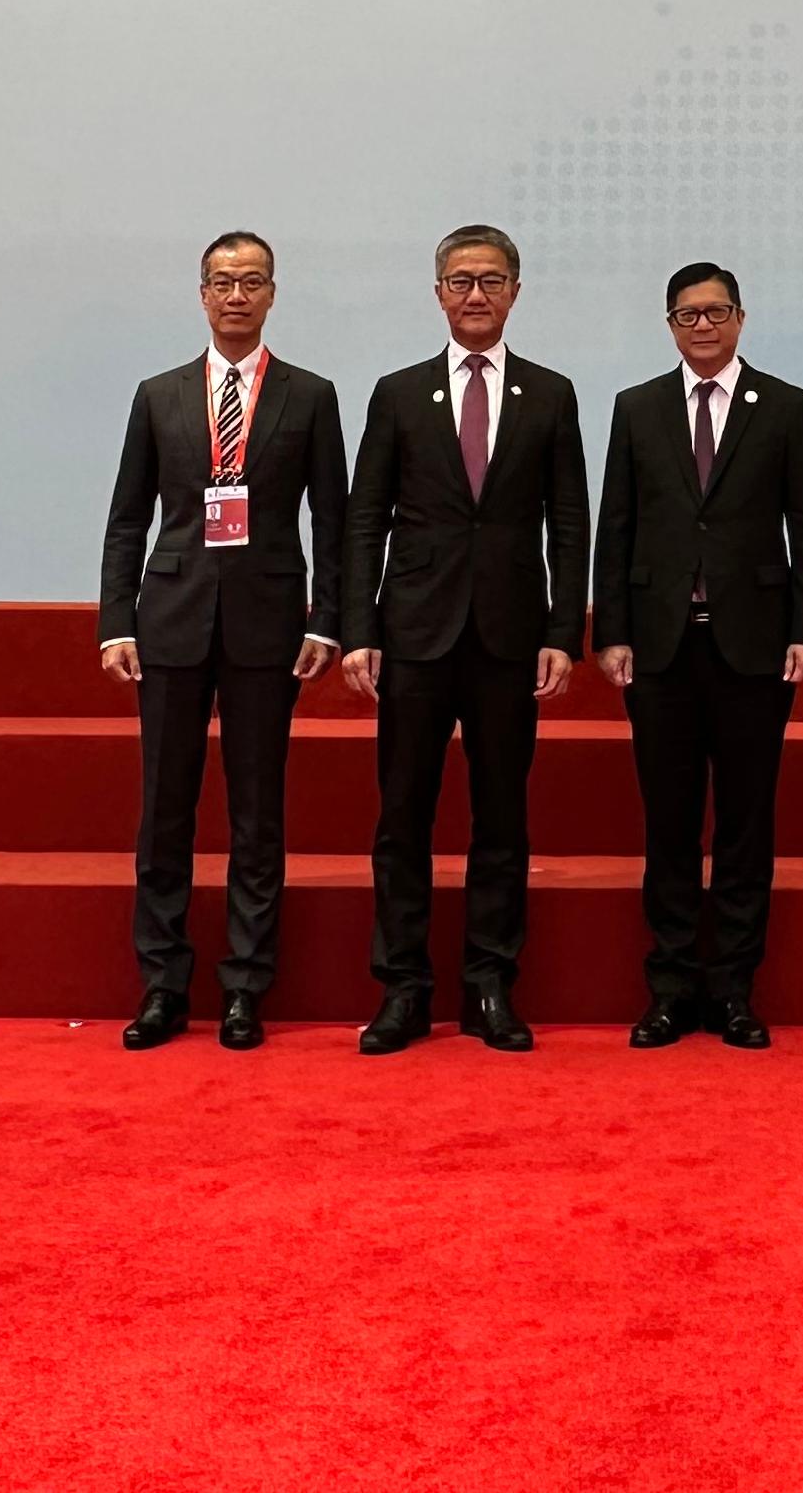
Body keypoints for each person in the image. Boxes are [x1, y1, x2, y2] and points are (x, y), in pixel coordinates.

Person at [340, 223, 590, 1054]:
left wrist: (564, 630)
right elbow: (364, 517)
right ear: (438, 293)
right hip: (412, 634)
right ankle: (403, 989)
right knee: (401, 818)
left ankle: (489, 985)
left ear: (515, 292)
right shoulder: (398, 393)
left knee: (501, 819)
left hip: (510, 639)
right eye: (459, 281)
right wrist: (358, 629)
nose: (475, 294)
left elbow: (569, 521)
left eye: (490, 280)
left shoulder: (551, 395)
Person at [97, 229, 349, 1052]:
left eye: (251, 282)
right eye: (221, 282)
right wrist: (115, 622)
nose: (236, 296)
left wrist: (326, 619)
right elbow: (127, 518)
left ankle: (245, 988)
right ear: (201, 295)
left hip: (269, 626)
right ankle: (163, 987)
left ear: (273, 293)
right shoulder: (159, 394)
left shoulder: (310, 396)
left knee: (256, 815)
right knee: (164, 813)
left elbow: (334, 521)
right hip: (169, 622)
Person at [592, 261, 803, 1050]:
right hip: (659, 647)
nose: (703, 326)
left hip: (755, 647)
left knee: (743, 823)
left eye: (716, 312)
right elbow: (615, 527)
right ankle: (668, 988)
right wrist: (613, 631)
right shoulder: (637, 408)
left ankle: (733, 989)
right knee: (667, 822)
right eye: (688, 315)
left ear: (740, 317)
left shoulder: (787, 406)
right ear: (669, 325)